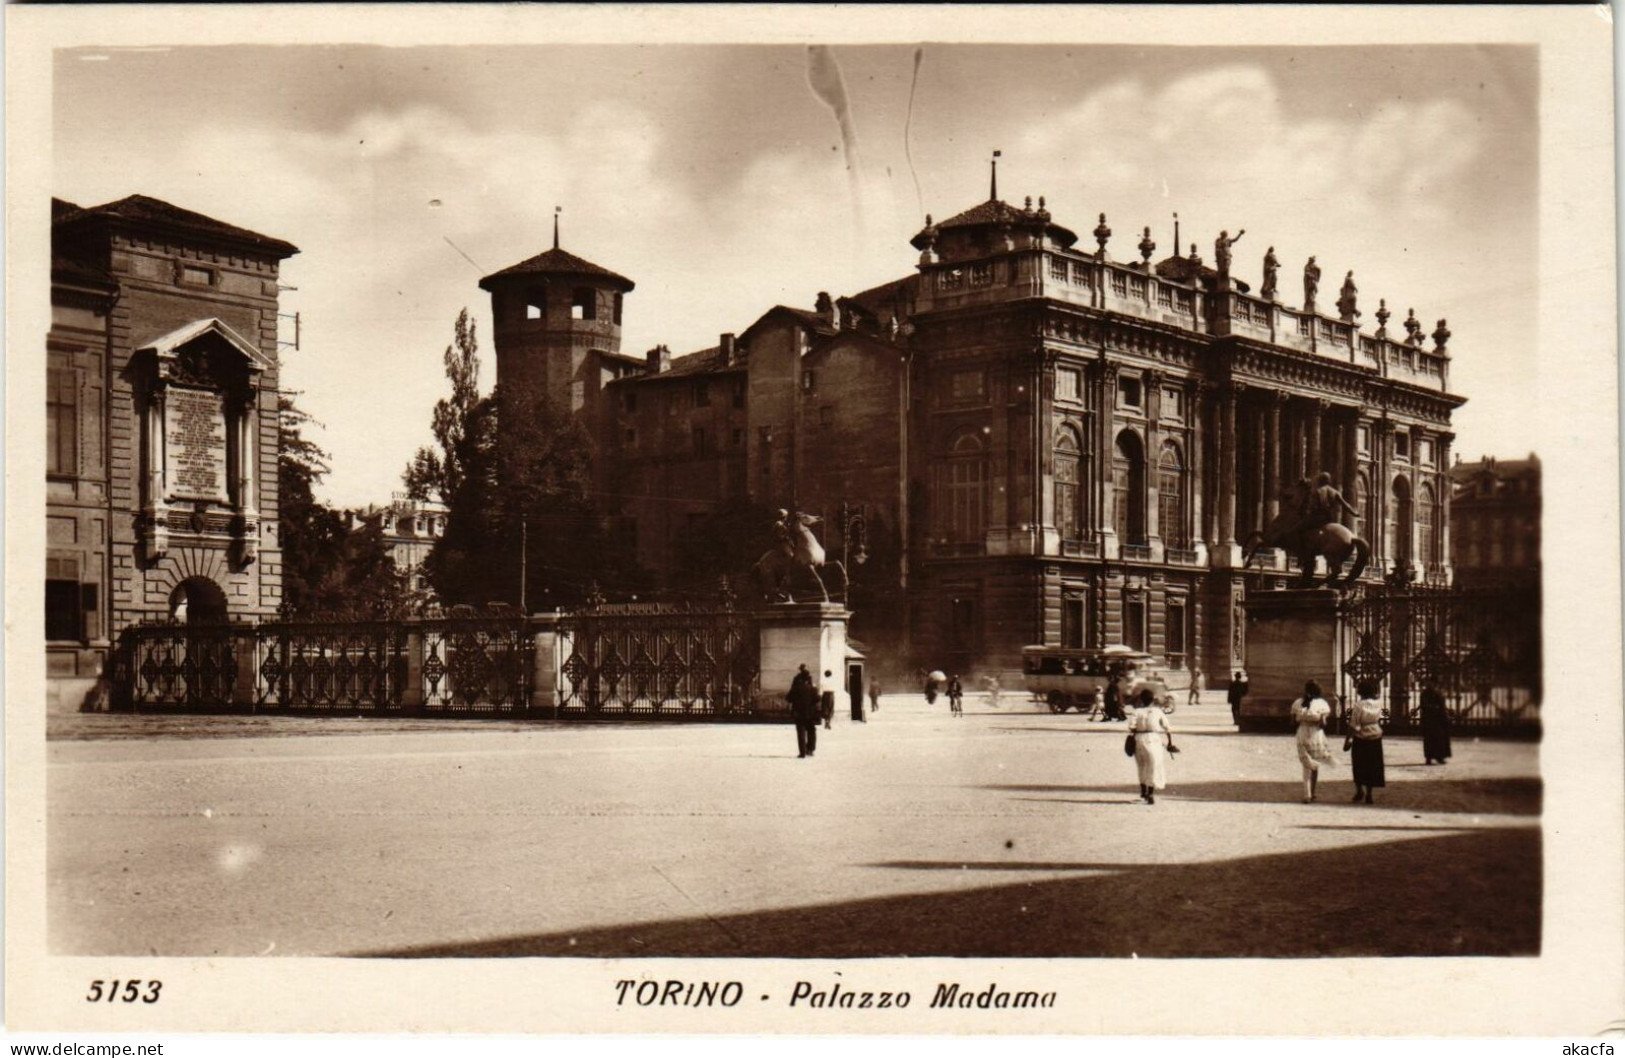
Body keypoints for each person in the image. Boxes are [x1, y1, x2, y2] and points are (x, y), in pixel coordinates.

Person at [1290, 679, 1335, 803]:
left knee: (1306, 763)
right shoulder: (1322, 704)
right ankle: (1312, 792)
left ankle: (1307, 793)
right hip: (1316, 734)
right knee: (1314, 764)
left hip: (1302, 732)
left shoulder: (1297, 703)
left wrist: (1303, 720)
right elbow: (1323, 724)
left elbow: (1293, 722)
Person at [1128, 688, 1175, 804]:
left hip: (1139, 739)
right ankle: (1150, 793)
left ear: (1141, 700)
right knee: (1154, 766)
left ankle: (1143, 791)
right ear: (1152, 700)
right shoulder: (1157, 711)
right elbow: (1167, 728)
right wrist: (1170, 743)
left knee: (1142, 766)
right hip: (1153, 739)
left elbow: (1131, 727)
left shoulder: (1136, 712)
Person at [1346, 679, 1386, 804]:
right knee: (1372, 766)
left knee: (1359, 765)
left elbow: (1354, 723)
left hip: (1361, 736)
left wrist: (1348, 739)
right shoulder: (1378, 703)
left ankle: (1359, 791)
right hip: (1375, 735)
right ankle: (1369, 793)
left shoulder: (1359, 705)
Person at [786, 664, 820, 758]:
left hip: (799, 713)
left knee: (801, 732)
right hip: (810, 713)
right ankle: (811, 749)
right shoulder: (813, 689)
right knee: (811, 731)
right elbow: (817, 699)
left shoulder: (796, 688)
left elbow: (788, 698)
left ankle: (802, 752)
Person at [1420, 682, 1452, 765]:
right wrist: (1436, 708)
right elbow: (1424, 705)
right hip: (1431, 719)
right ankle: (1430, 758)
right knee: (1431, 739)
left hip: (1438, 719)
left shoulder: (1437, 692)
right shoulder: (1427, 693)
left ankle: (1438, 757)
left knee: (1439, 738)